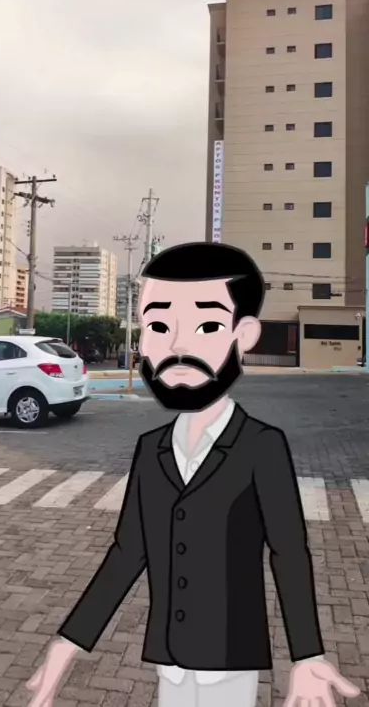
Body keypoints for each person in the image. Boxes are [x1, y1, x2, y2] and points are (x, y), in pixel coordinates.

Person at [26, 242, 360, 707]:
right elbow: (128, 552)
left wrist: (307, 654)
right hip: (169, 656)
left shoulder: (262, 445)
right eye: (159, 326)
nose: (178, 346)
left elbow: (288, 552)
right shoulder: (151, 448)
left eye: (207, 326)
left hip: (230, 656)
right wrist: (69, 642)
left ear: (244, 334)